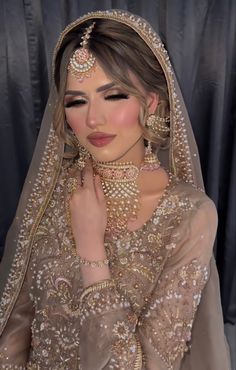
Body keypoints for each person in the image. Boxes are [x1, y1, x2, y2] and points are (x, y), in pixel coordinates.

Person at [0, 9, 231, 370]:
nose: (93, 119)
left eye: (114, 95)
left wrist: (92, 250)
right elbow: (15, 332)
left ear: (151, 101)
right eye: (76, 101)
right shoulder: (53, 193)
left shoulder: (190, 215)